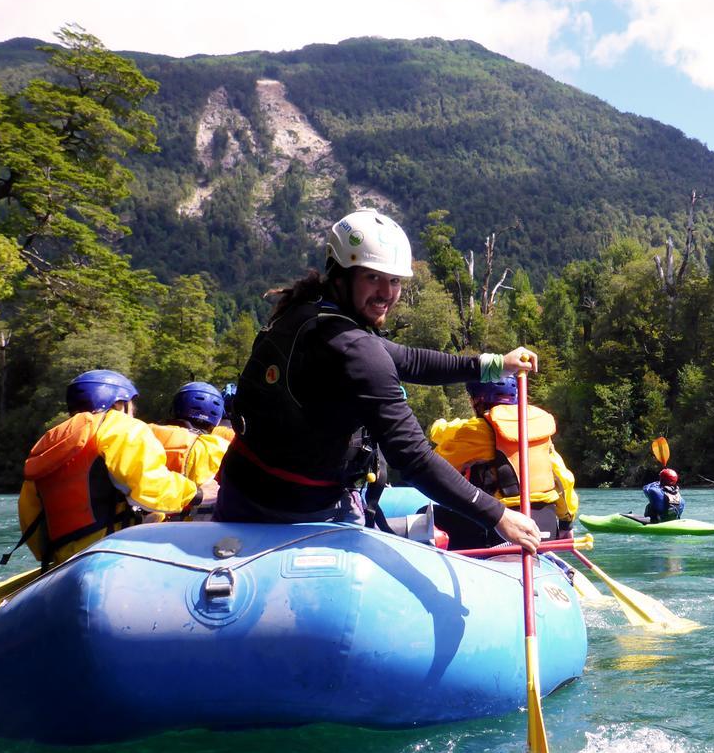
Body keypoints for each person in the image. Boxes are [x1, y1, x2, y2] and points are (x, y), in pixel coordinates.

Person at [215, 208, 542, 553]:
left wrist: (494, 364)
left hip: (243, 488)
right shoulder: (355, 350)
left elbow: (409, 360)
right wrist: (497, 515)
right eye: (373, 278)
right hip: (307, 510)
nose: (387, 292)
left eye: (395, 281)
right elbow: (413, 459)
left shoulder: (304, 314)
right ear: (341, 275)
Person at [12, 370, 202, 569]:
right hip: (113, 555)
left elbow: (31, 523)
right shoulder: (118, 425)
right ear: (118, 404)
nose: (134, 411)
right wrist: (196, 494)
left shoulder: (47, 443)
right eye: (131, 404)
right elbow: (150, 488)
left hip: (63, 564)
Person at [428, 376, 579, 550]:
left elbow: (435, 466)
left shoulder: (477, 430)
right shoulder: (535, 429)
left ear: (478, 400)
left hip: (499, 528)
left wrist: (441, 432)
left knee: (426, 515)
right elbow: (562, 478)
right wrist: (566, 524)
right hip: (545, 527)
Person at [148, 381, 231, 487]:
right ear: (218, 417)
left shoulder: (148, 431)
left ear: (175, 408)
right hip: (188, 500)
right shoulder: (221, 448)